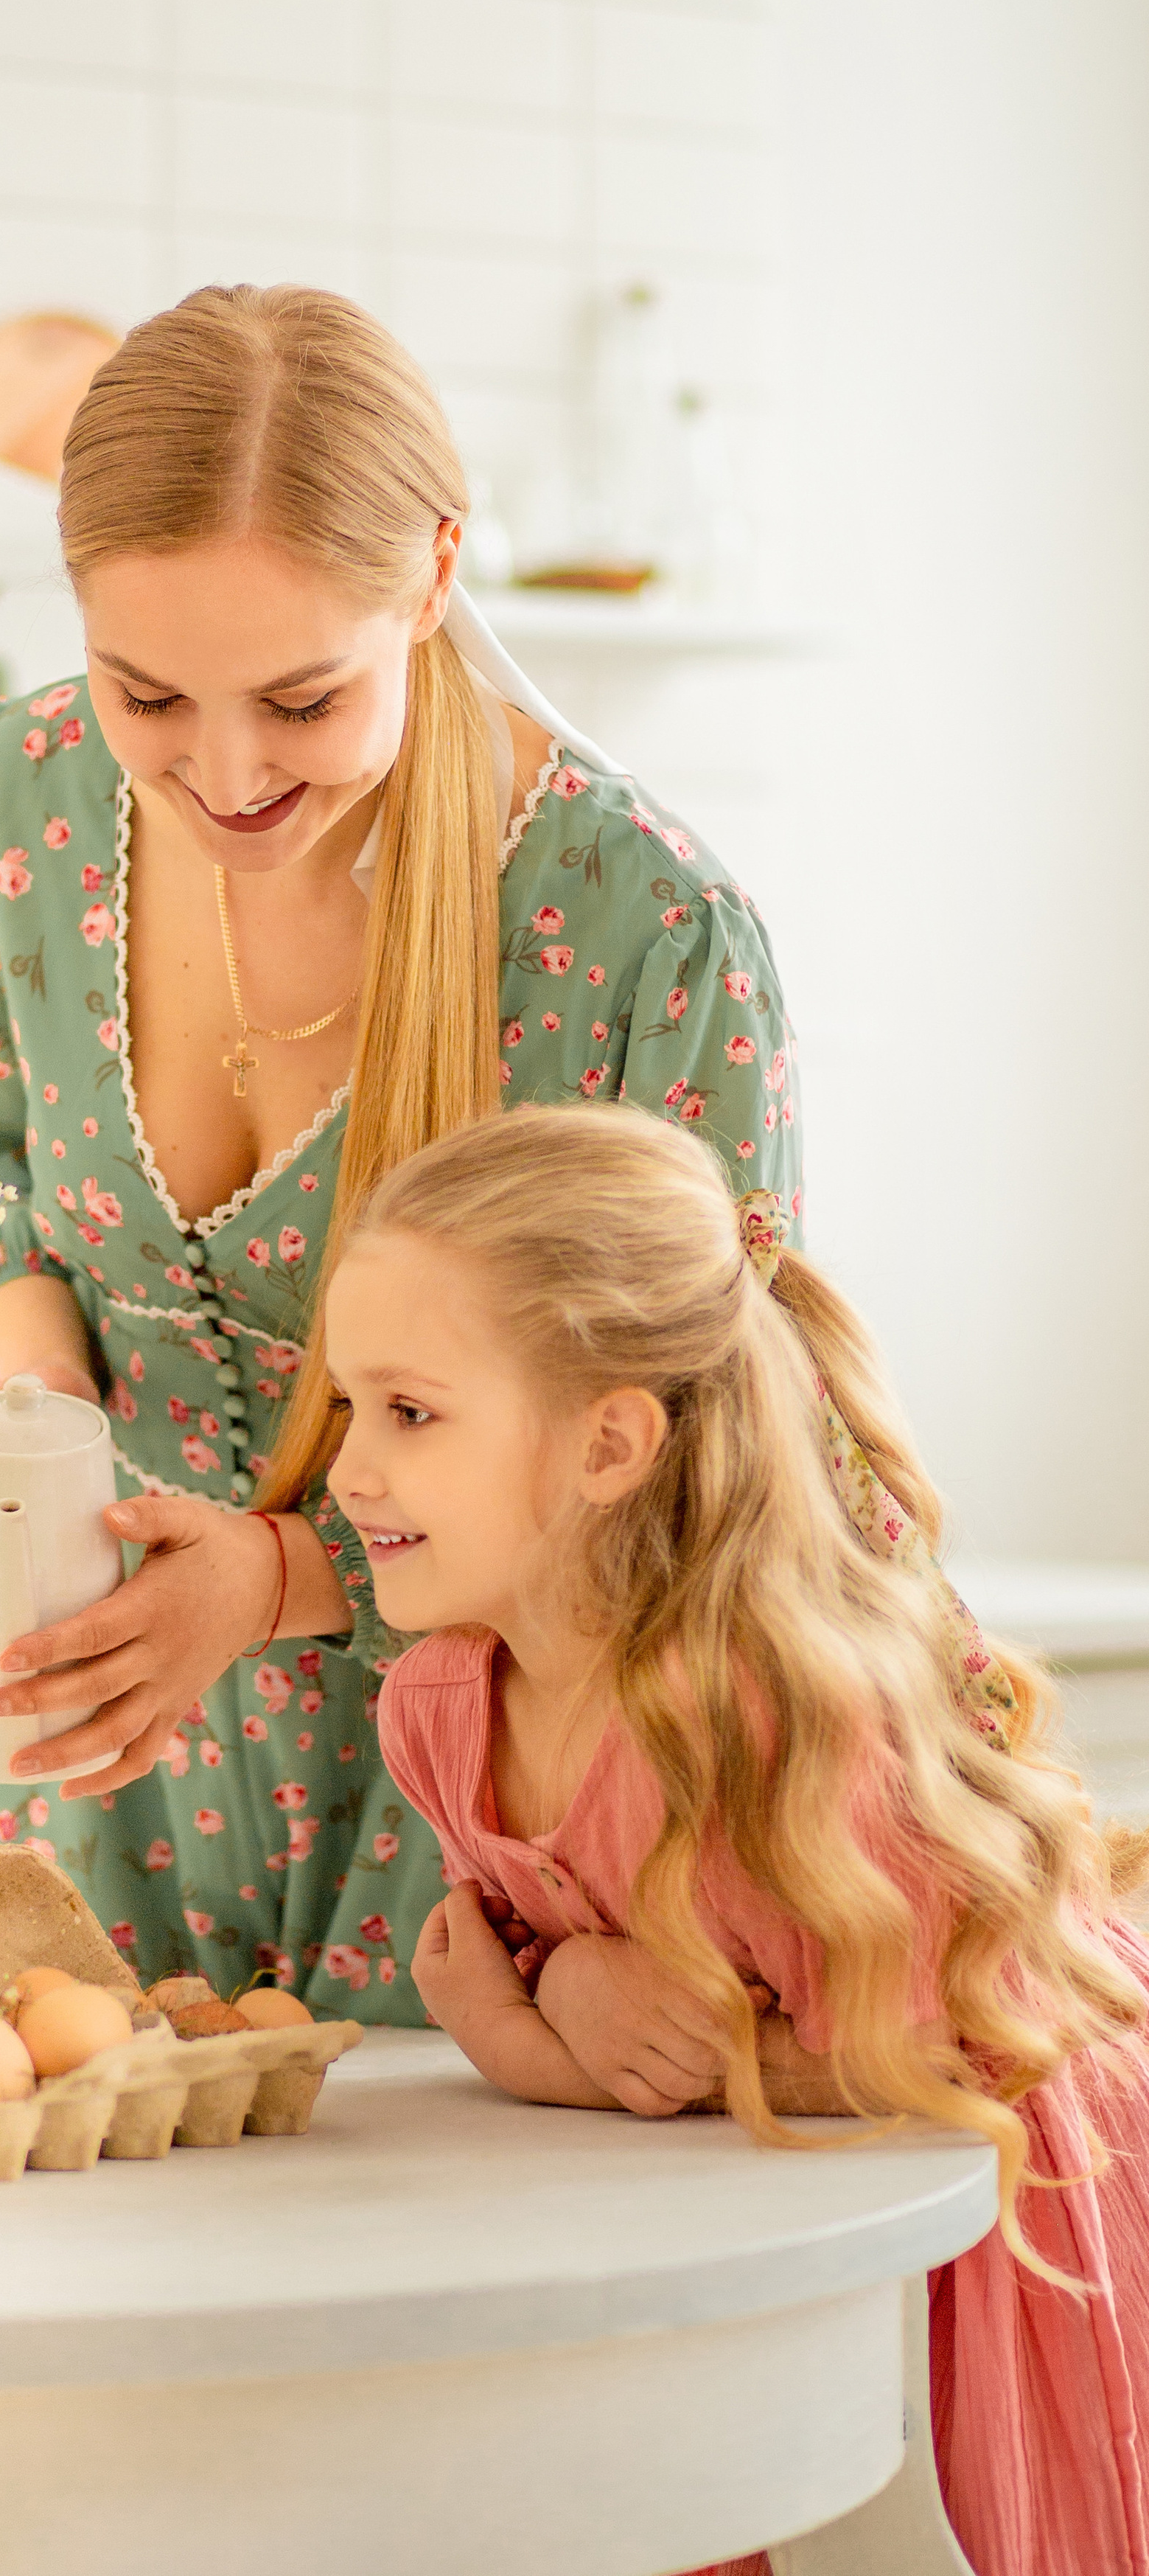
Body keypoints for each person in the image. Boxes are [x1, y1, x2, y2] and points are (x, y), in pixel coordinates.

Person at [0, 282, 805, 2018]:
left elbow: (702, 1455)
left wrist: (281, 1580)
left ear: (435, 579)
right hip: (84, 1757)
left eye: (302, 702)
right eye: (143, 694)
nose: (223, 774)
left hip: (486, 1819)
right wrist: (44, 1404)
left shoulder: (643, 927)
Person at [318, 1099, 1149, 2576]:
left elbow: (956, 2053)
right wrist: (562, 2001)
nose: (346, 1471)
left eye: (408, 1411)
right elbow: (560, 1971)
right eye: (347, 1408)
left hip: (1007, 2197)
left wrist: (541, 2037)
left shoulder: (769, 1725)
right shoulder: (437, 1711)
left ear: (607, 1443)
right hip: (770, 2207)